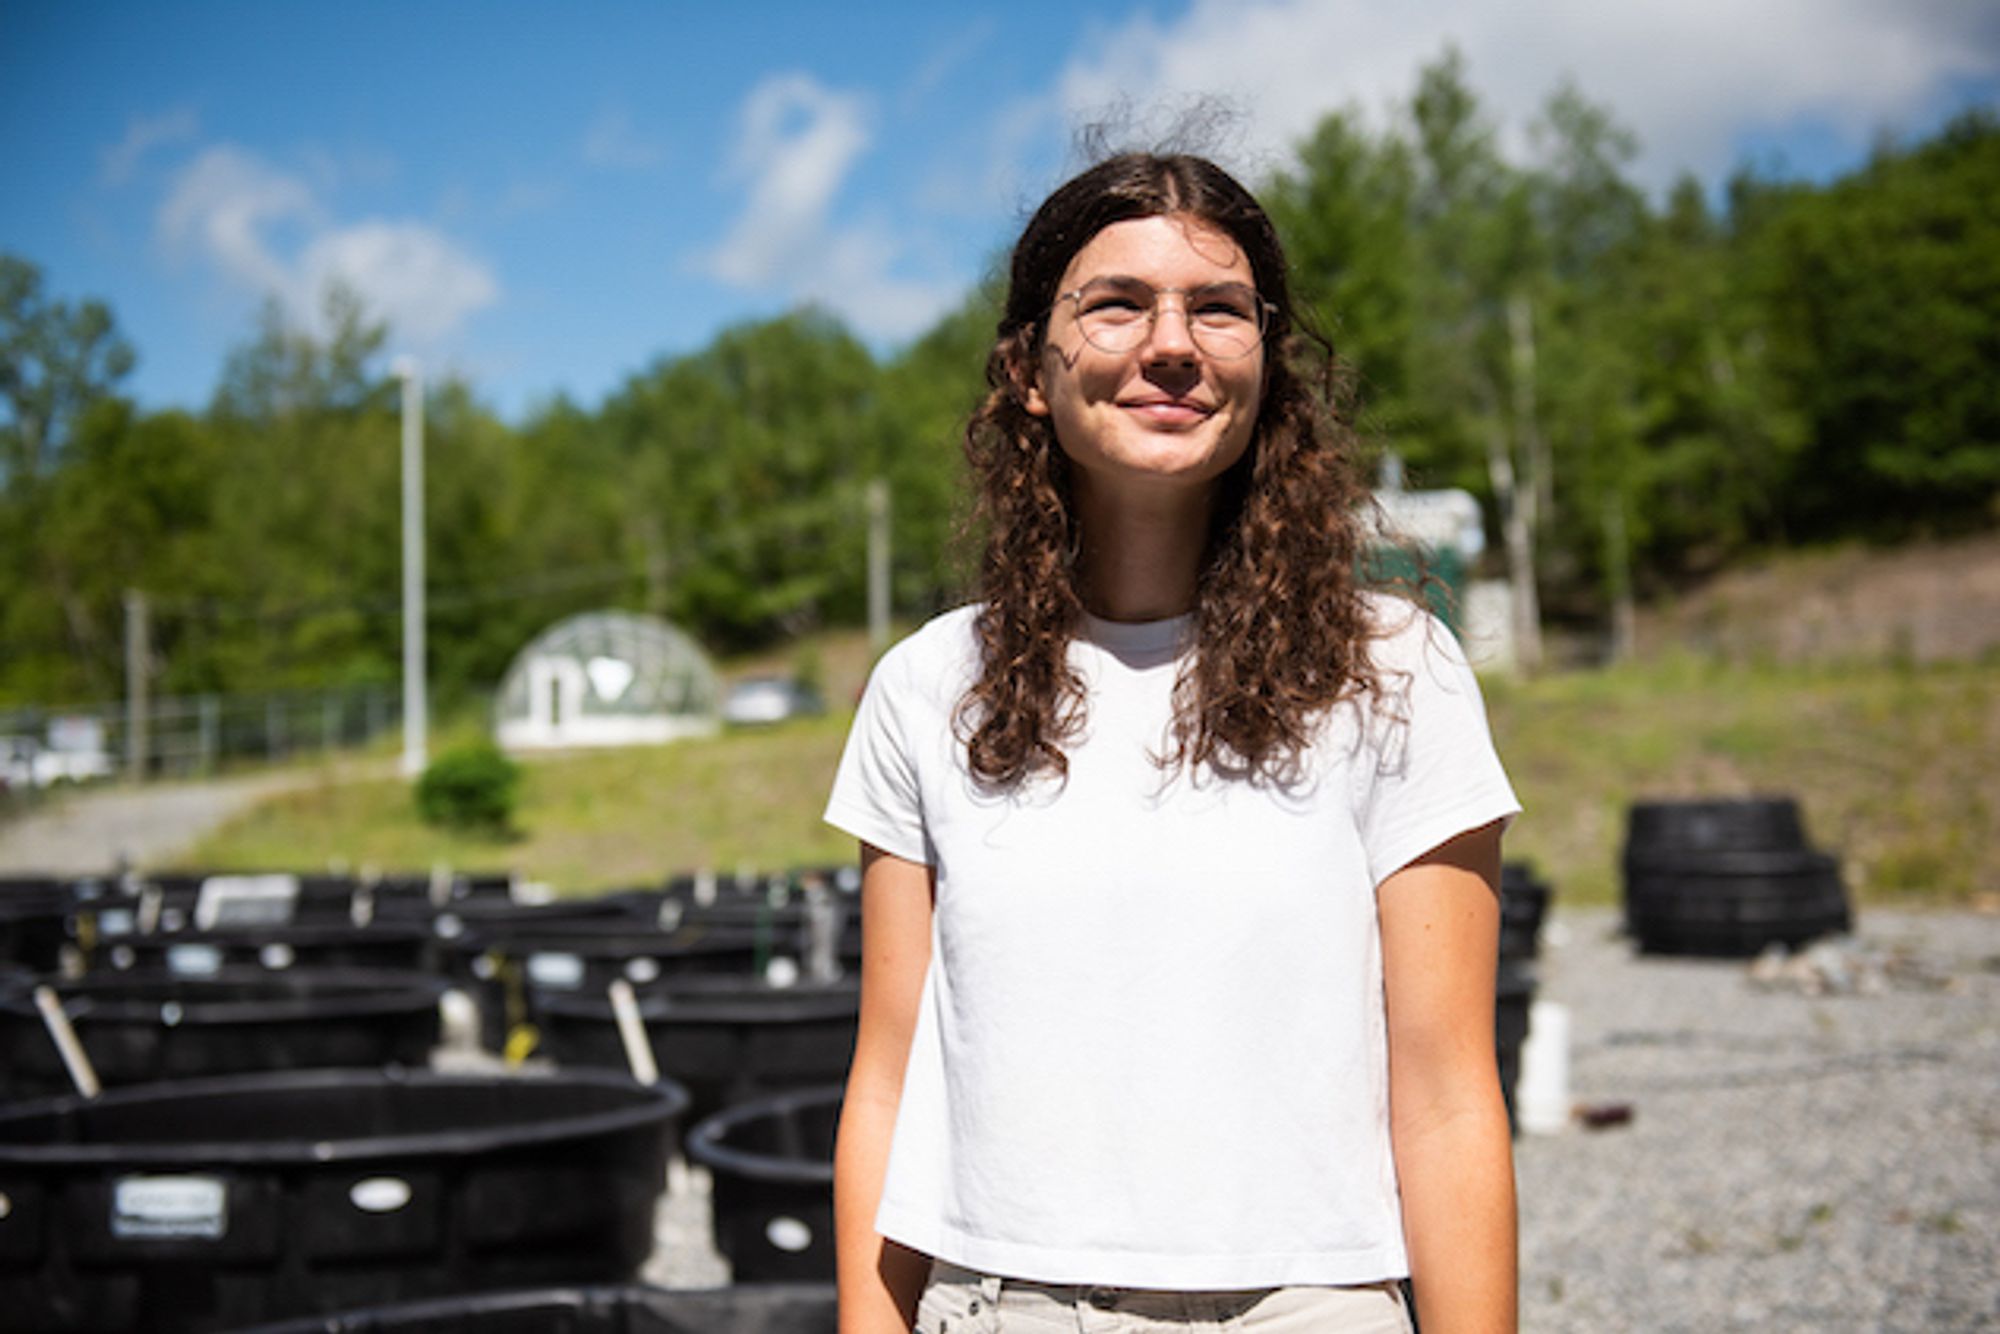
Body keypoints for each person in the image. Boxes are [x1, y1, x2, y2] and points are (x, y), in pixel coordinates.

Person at [824, 151, 1520, 1334]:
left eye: (1216, 308)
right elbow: (886, 1078)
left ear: (1266, 367)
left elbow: (1449, 1094)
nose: (1172, 343)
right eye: (1115, 302)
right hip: (1003, 1307)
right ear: (1027, 370)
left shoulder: (1393, 667)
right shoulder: (926, 685)